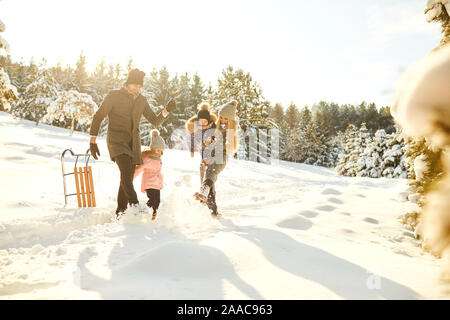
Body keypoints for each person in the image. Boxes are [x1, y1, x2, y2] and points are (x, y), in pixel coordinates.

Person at [89, 68, 176, 218]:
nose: (137, 88)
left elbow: (154, 120)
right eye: (134, 84)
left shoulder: (142, 100)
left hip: (133, 144)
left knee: (127, 177)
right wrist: (93, 141)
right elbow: (98, 116)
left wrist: (166, 111)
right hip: (116, 140)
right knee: (125, 171)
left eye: (140, 86)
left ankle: (120, 212)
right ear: (128, 83)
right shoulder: (114, 95)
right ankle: (134, 204)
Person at [193, 101, 239, 217]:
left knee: (211, 172)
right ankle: (213, 210)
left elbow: (227, 148)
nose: (223, 121)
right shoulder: (216, 128)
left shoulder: (231, 131)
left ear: (231, 120)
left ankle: (204, 190)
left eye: (226, 119)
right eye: (221, 117)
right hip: (211, 156)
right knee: (208, 178)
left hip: (221, 157)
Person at [133, 129, 165, 220]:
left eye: (161, 150)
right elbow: (139, 169)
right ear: (152, 149)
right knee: (152, 200)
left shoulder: (158, 159)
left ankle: (153, 215)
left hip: (157, 184)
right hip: (149, 183)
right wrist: (130, 179)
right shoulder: (147, 159)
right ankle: (142, 212)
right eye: (157, 149)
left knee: (157, 201)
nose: (159, 152)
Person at [184, 102, 218, 184]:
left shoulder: (212, 125)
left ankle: (209, 180)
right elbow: (192, 139)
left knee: (211, 167)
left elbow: (215, 135)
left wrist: (211, 140)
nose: (202, 123)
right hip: (203, 149)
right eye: (200, 121)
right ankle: (203, 182)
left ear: (208, 120)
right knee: (204, 164)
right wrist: (192, 150)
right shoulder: (196, 128)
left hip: (213, 148)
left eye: (204, 121)